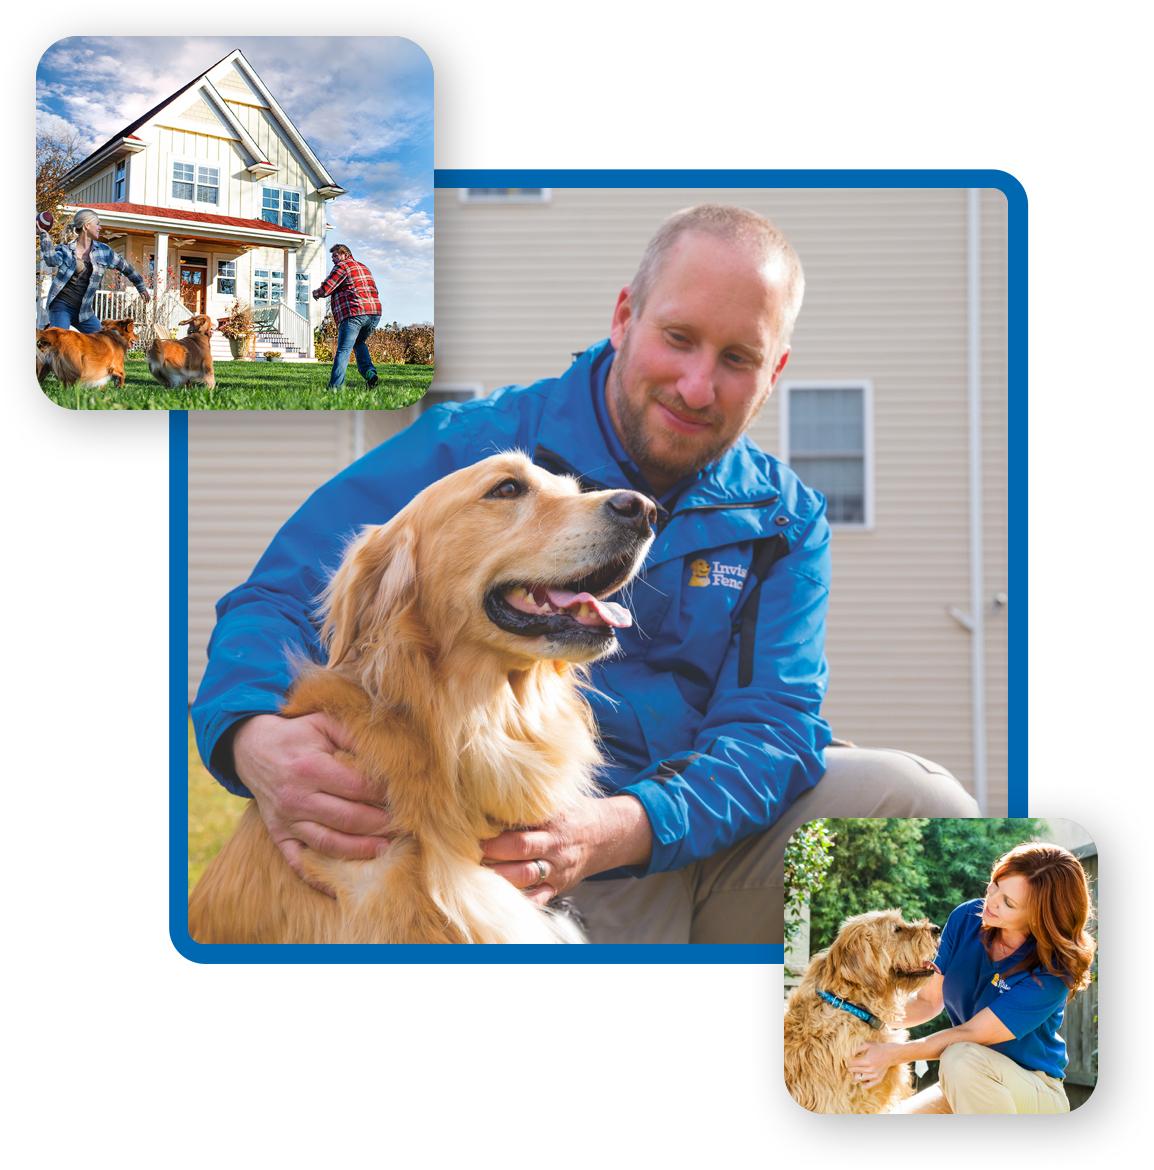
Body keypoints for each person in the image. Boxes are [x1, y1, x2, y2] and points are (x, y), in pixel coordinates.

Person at [192, 204, 978, 944]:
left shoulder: (784, 517)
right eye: (678, 337)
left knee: (925, 807)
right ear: (624, 317)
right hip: (501, 835)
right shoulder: (477, 443)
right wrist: (252, 735)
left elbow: (774, 729)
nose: (697, 387)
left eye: (737, 359)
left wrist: (625, 828)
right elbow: (284, 594)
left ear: (774, 371)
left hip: (664, 829)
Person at [848, 842, 1096, 1112]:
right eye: (995, 886)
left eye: (1008, 903)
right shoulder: (967, 918)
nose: (991, 902)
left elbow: (971, 1033)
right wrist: (855, 1015)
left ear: (1040, 916)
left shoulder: (1054, 971)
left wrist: (891, 1055)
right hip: (964, 1077)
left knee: (959, 1056)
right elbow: (928, 1001)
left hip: (1031, 1087)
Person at [38, 208, 149, 333]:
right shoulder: (66, 250)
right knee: (60, 341)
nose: (100, 227)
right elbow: (51, 260)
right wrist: (44, 236)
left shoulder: (104, 251)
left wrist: (140, 286)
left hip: (84, 311)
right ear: (86, 226)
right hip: (61, 306)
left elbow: (126, 267)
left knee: (102, 341)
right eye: (97, 224)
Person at [313, 244, 382, 391]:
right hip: (374, 313)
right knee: (359, 343)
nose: (333, 259)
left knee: (343, 351)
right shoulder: (364, 267)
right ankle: (370, 374)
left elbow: (326, 288)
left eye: (335, 255)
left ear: (345, 254)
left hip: (354, 314)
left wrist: (316, 293)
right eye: (332, 256)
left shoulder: (343, 266)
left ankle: (335, 388)